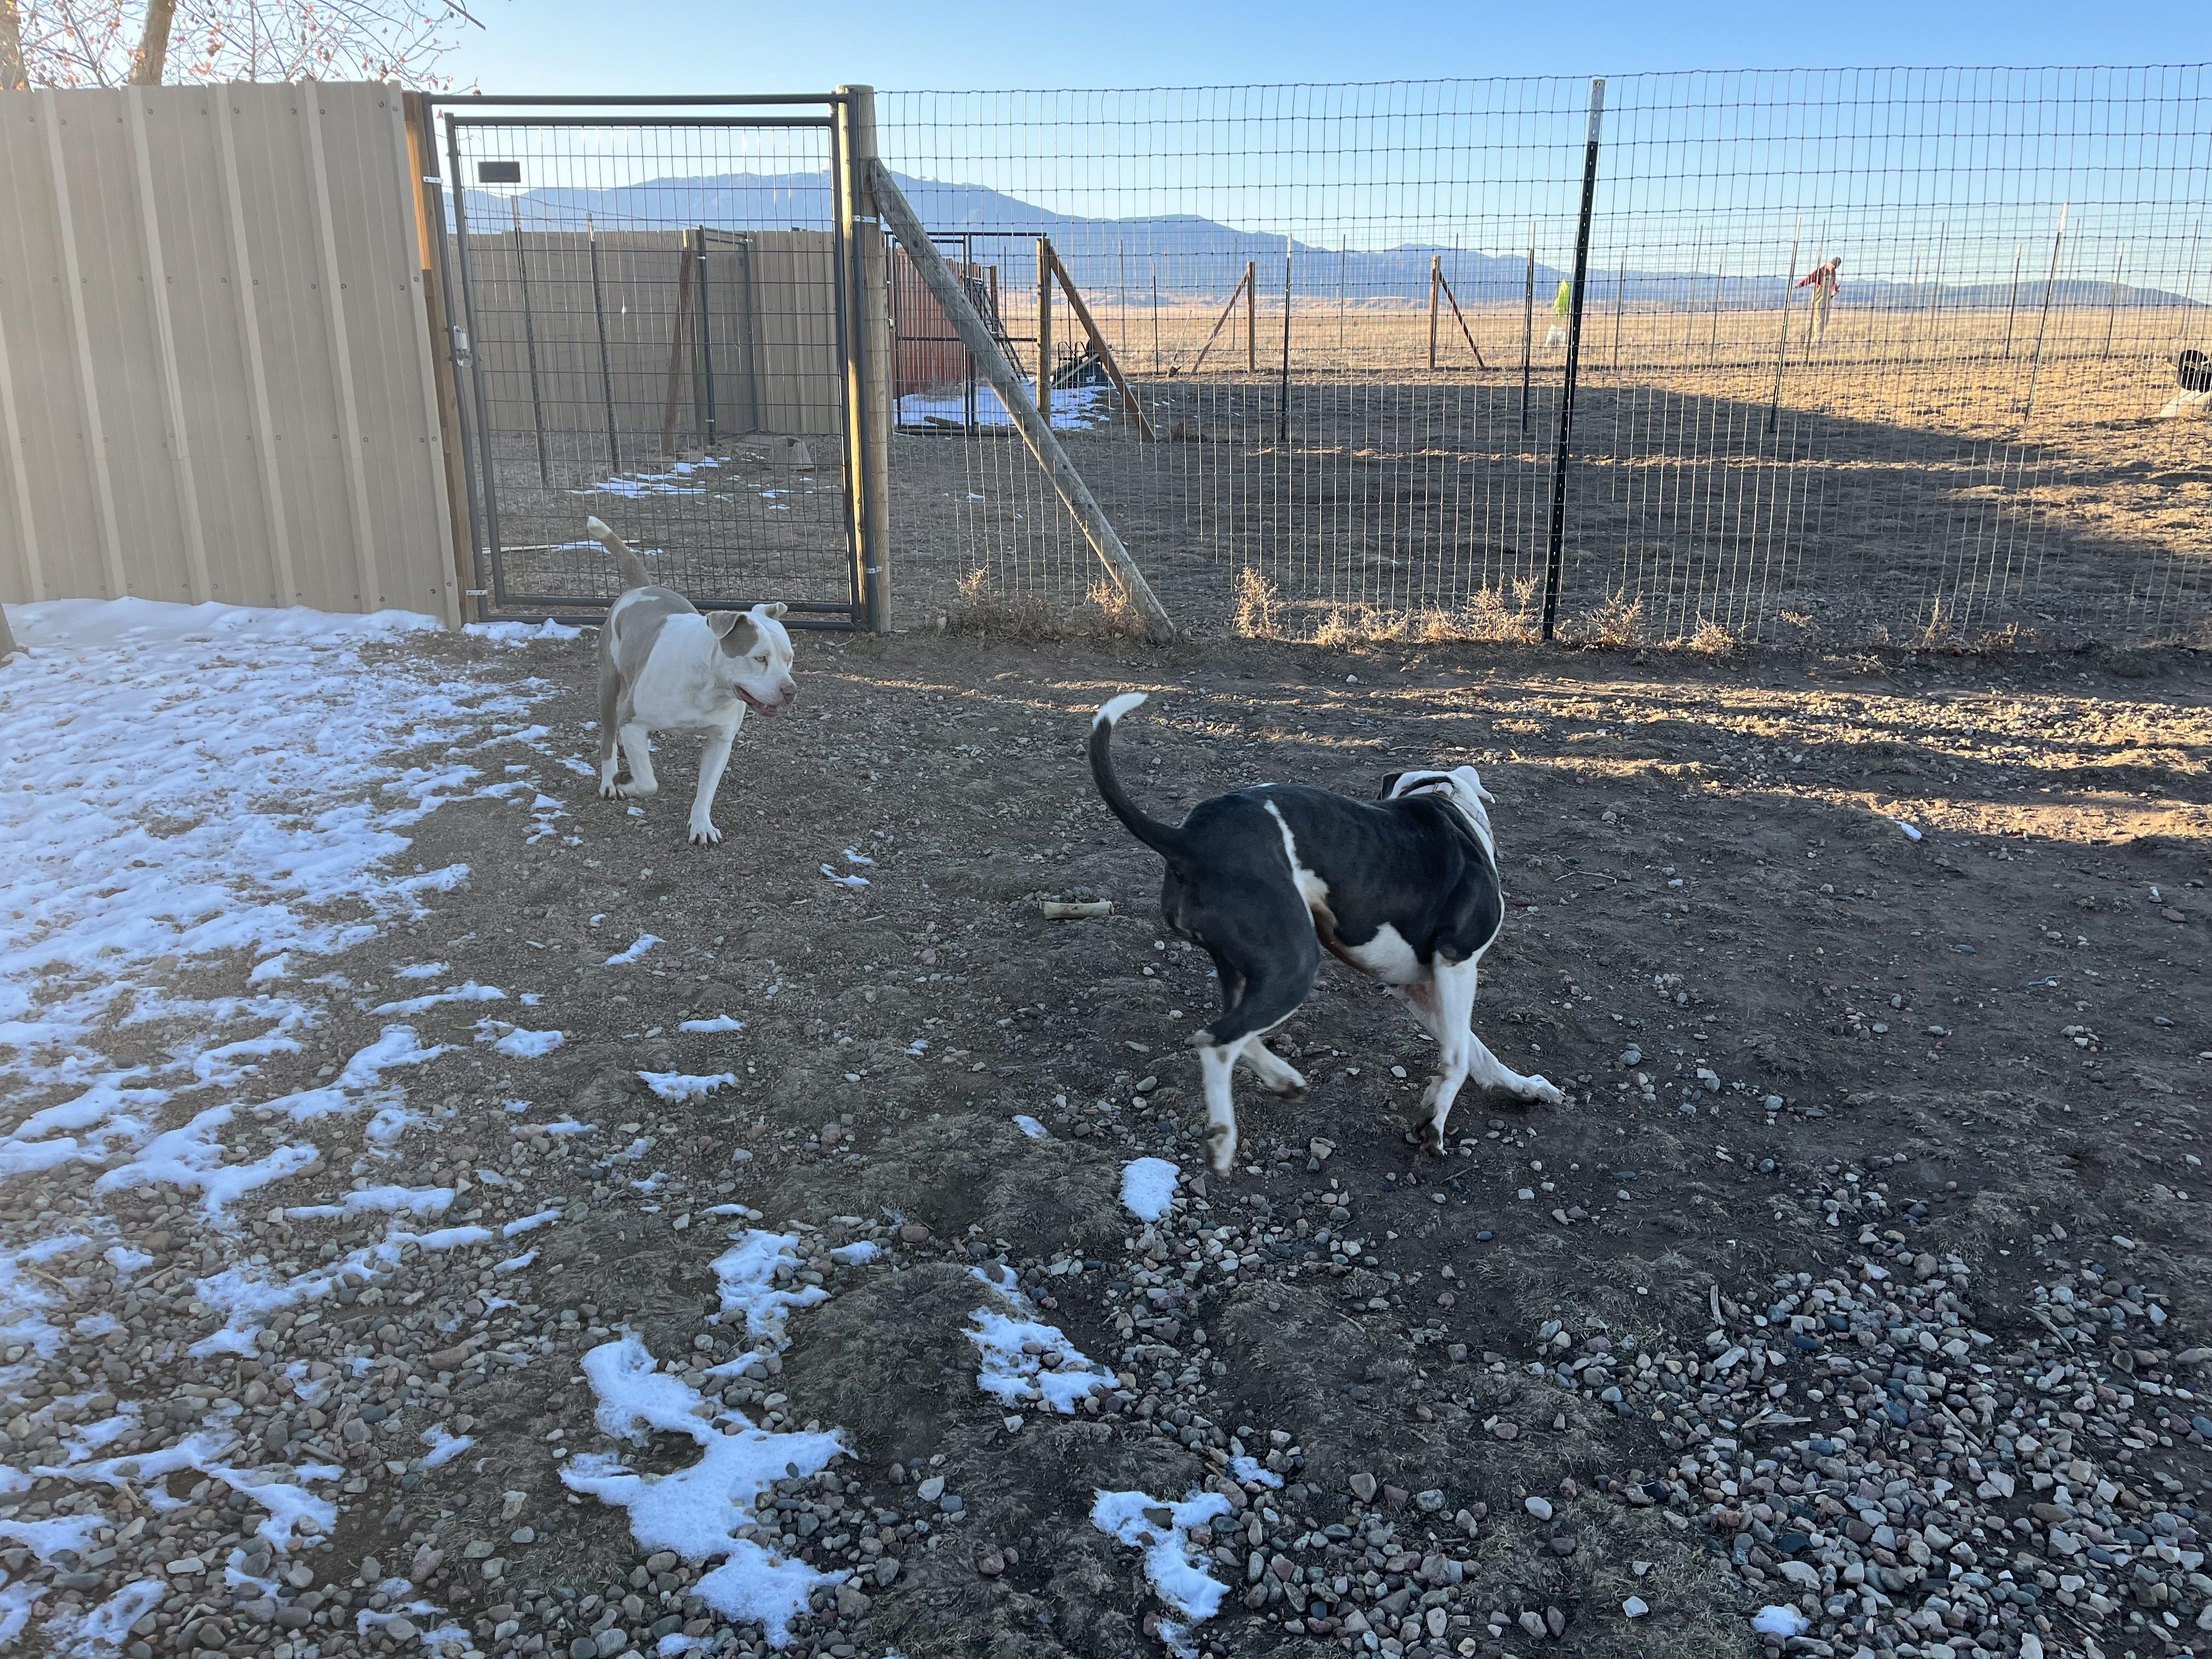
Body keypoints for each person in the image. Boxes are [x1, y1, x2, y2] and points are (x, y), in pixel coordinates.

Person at [1797, 257, 1842, 343]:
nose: (1834, 268)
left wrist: (1835, 291)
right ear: (1831, 263)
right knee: (1818, 321)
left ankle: (1806, 335)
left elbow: (1833, 283)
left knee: (1825, 321)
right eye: (1833, 266)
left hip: (1827, 300)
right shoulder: (1819, 272)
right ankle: (1815, 342)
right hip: (1818, 301)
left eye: (1835, 267)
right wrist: (1799, 285)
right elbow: (1808, 279)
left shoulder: (1833, 273)